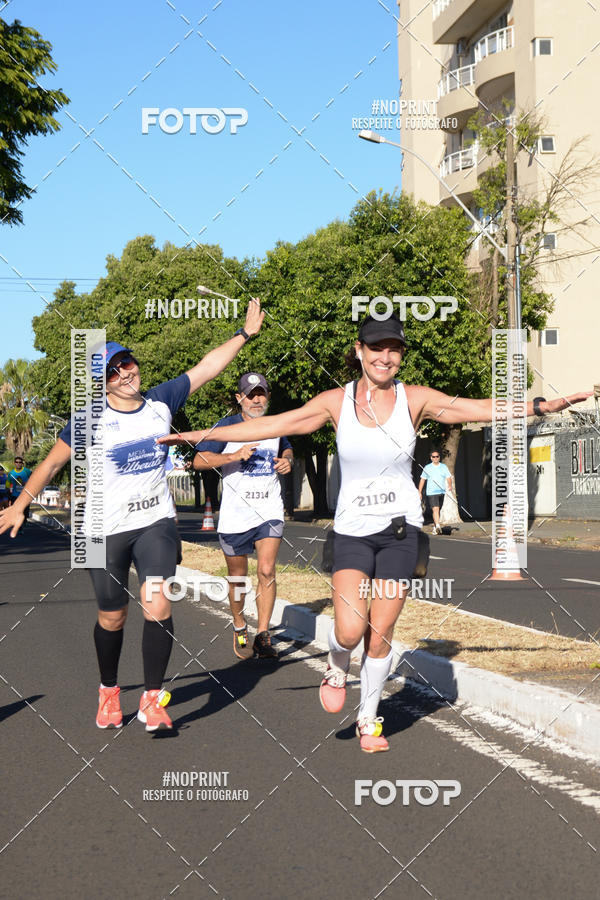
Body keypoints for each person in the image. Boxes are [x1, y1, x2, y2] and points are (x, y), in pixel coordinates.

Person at [160, 313, 591, 753]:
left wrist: (543, 406)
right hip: (351, 532)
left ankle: (368, 718)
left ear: (400, 354)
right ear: (360, 351)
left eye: (394, 349)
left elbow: (480, 407)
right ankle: (336, 665)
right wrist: (196, 435)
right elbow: (275, 425)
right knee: (349, 631)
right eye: (377, 348)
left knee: (380, 632)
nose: (385, 357)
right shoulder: (335, 401)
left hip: (400, 532)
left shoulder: (415, 399)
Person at [0, 299, 264, 732]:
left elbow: (207, 367)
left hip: (155, 521)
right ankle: (108, 690)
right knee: (113, 615)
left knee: (157, 602)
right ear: (102, 383)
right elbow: (49, 466)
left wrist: (244, 333)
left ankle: (151, 700)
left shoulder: (161, 401)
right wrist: (20, 503)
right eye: (114, 371)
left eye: (128, 363)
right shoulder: (88, 420)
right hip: (103, 530)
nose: (126, 373)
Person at [193, 372, 294, 661]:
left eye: (262, 393)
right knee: (238, 578)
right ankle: (239, 623)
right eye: (251, 394)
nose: (257, 399)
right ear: (239, 399)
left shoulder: (275, 425)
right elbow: (199, 460)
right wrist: (232, 455)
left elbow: (287, 447)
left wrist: (287, 461)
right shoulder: (226, 427)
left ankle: (263, 636)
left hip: (269, 510)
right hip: (236, 516)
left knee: (266, 570)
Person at [419, 450, 452, 534]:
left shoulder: (443, 467)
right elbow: (422, 480)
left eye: (437, 456)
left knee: (438, 510)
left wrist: (450, 485)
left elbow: (448, 477)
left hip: (441, 491)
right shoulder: (427, 467)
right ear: (431, 458)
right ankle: (437, 526)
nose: (435, 458)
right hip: (431, 492)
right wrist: (419, 492)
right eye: (433, 457)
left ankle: (435, 527)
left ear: (439, 457)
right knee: (435, 509)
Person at [7, 457, 33, 525]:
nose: (18, 464)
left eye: (20, 462)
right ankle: (18, 524)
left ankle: (24, 522)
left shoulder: (27, 471)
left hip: (25, 495)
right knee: (15, 511)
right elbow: (7, 484)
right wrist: (8, 494)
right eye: (17, 462)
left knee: (25, 512)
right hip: (15, 495)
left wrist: (26, 483)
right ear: (14, 463)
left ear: (22, 463)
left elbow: (34, 478)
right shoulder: (11, 473)